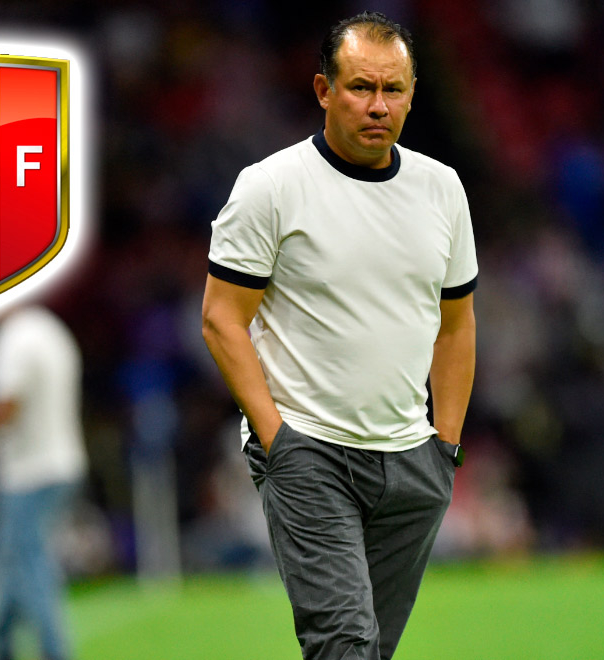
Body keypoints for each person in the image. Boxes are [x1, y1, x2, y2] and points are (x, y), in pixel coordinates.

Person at [201, 11, 477, 660]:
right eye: (361, 87)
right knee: (344, 645)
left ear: (413, 93)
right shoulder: (271, 187)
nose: (378, 106)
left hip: (411, 460)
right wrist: (278, 440)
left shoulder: (442, 189)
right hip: (311, 452)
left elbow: (457, 323)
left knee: (368, 649)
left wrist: (445, 447)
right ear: (324, 90)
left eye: (393, 89)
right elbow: (221, 318)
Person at [0, 305, 87, 660]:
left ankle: (54, 650)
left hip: (27, 472)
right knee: (8, 562)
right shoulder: (51, 329)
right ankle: (1, 647)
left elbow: (6, 404)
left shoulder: (14, 338)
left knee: (27, 563)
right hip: (63, 461)